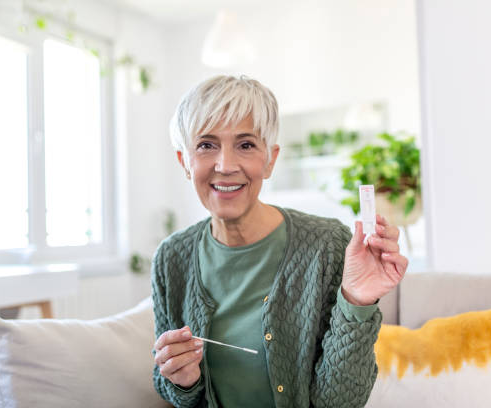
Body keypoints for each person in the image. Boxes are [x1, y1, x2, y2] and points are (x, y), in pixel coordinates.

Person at [151, 75, 407, 408]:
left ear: (270, 159)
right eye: (206, 145)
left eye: (245, 145)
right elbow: (166, 381)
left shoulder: (327, 246)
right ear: (185, 162)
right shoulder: (171, 259)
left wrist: (356, 301)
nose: (225, 165)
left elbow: (339, 404)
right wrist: (182, 381)